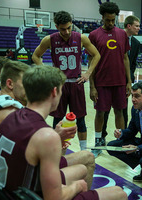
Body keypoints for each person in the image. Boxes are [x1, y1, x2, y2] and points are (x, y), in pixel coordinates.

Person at [0, 65, 127, 200]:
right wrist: (76, 186)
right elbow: (54, 198)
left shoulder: (11, 114)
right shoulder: (46, 135)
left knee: (82, 169)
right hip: (28, 195)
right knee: (119, 193)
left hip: (6, 191)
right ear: (54, 92)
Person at [32, 10, 101, 151]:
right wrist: (46, 72)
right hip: (60, 85)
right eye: (63, 29)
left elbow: (96, 55)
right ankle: (55, 149)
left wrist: (88, 73)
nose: (67, 31)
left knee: (80, 120)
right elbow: (35, 56)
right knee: (57, 120)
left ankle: (83, 151)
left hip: (77, 83)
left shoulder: (81, 38)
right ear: (56, 26)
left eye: (69, 27)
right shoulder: (49, 39)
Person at [88, 2, 132, 157]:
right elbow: (90, 62)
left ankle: (121, 141)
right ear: (102, 17)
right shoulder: (93, 35)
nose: (111, 23)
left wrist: (129, 81)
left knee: (120, 112)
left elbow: (125, 58)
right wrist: (91, 86)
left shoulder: (122, 34)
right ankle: (99, 142)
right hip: (101, 82)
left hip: (119, 82)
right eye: (108, 20)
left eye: (113, 20)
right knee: (100, 113)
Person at [101, 15, 141, 142]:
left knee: (123, 110)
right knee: (105, 110)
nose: (139, 28)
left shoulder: (136, 43)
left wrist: (129, 80)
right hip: (109, 79)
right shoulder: (115, 37)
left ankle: (123, 137)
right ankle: (102, 136)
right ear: (128, 26)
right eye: (137, 26)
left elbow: (132, 63)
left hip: (124, 82)